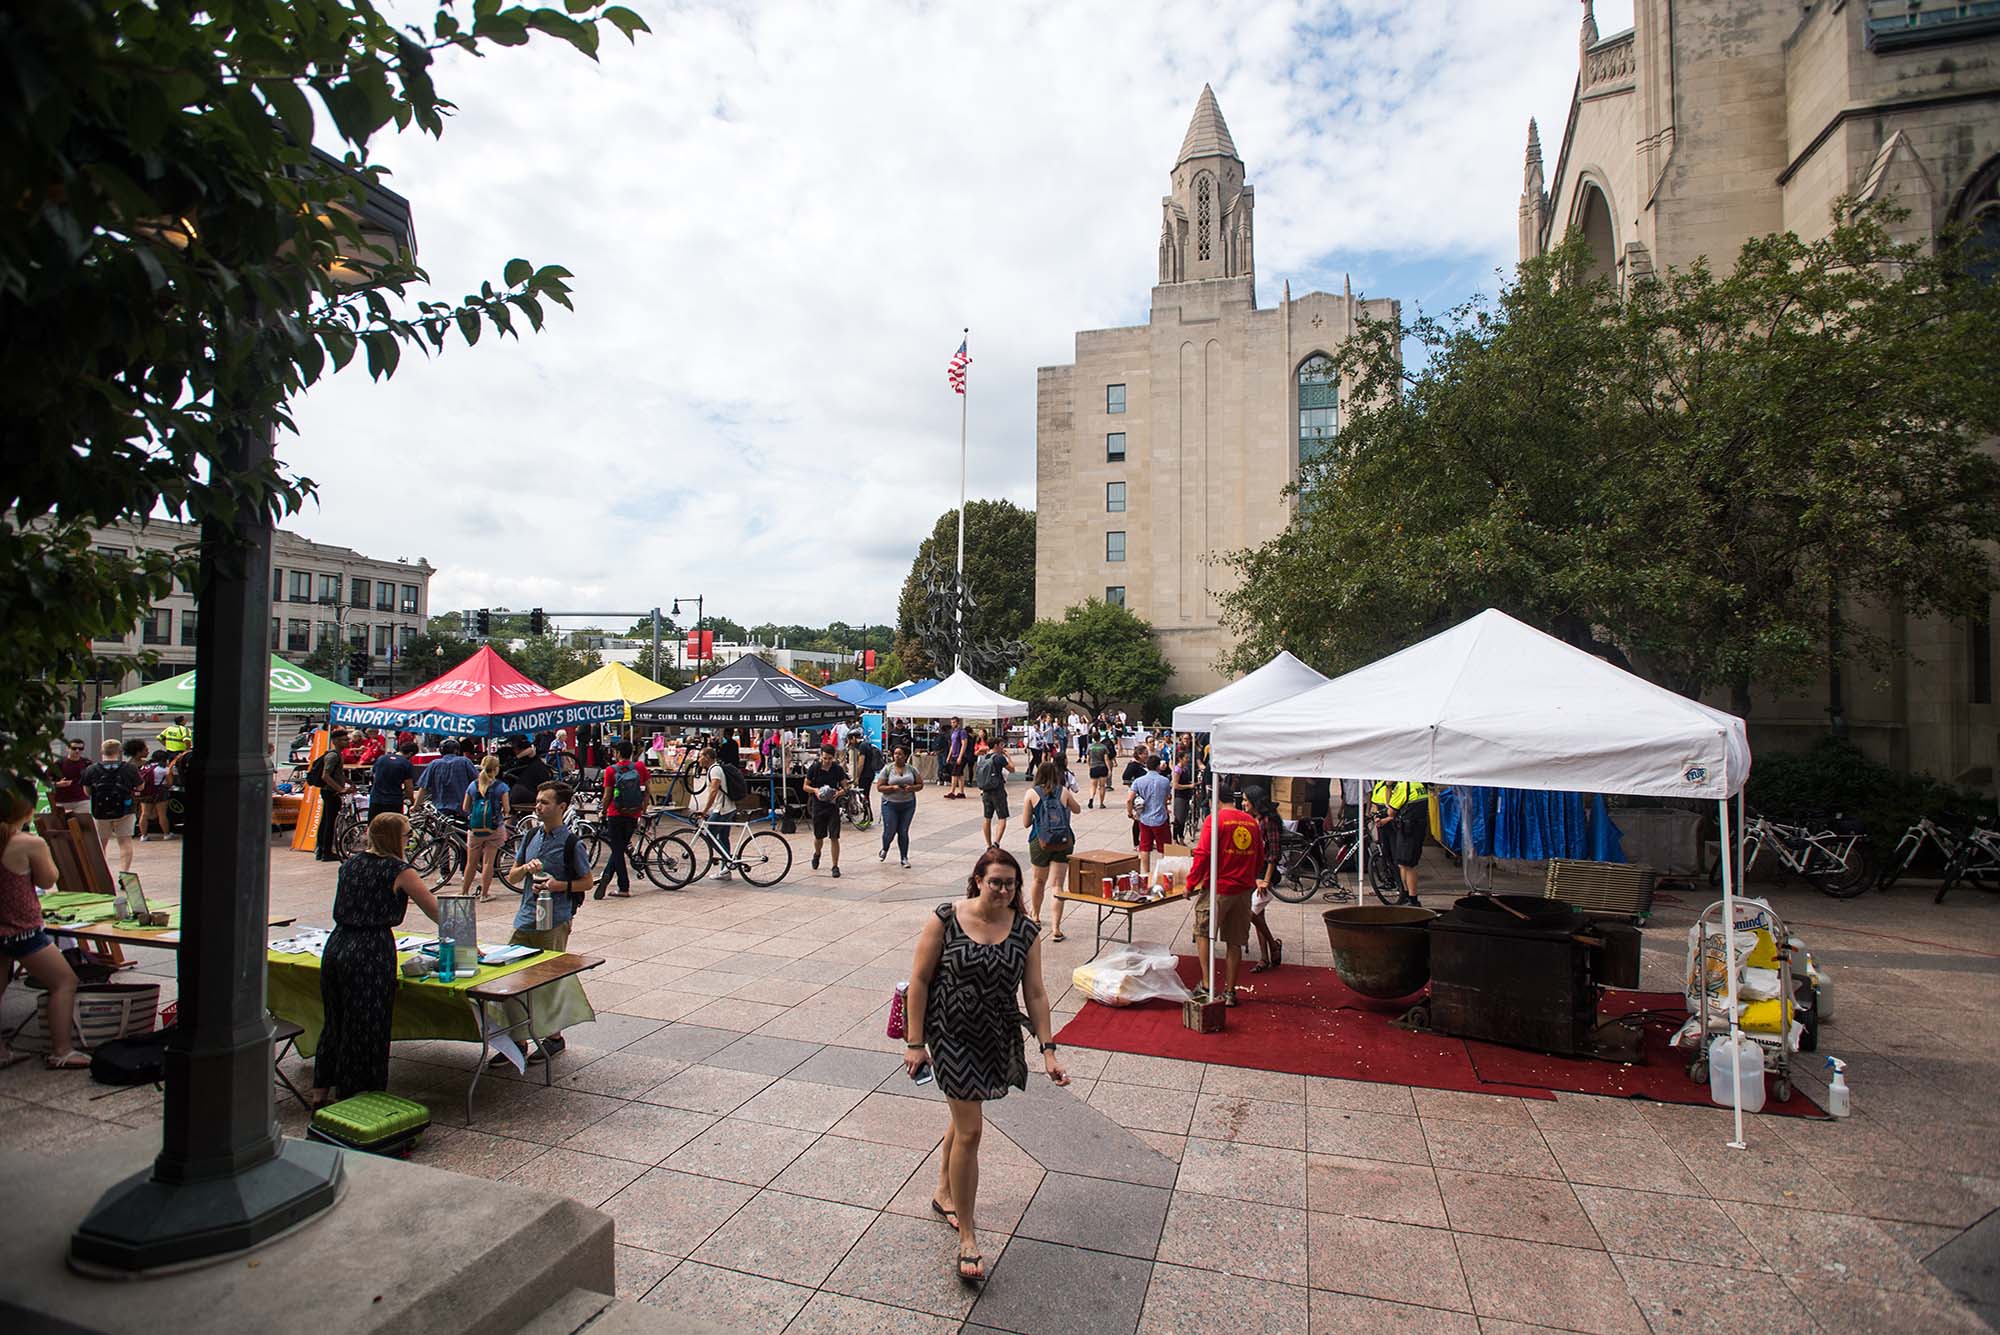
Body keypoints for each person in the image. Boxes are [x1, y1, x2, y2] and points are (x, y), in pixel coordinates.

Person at [901, 847, 1068, 1285]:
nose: (1004, 890)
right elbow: (919, 979)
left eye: (1011, 884)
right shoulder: (946, 919)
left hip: (995, 1035)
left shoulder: (1025, 932)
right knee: (972, 1129)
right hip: (949, 1032)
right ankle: (969, 1239)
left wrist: (1048, 1048)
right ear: (977, 880)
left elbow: (1035, 993)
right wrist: (915, 1042)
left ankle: (943, 1191)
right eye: (995, 881)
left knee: (964, 1116)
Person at [310, 812, 441, 1104]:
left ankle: (320, 1090)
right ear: (395, 838)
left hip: (338, 942)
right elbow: (436, 911)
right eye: (407, 835)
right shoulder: (399, 870)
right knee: (367, 1023)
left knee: (335, 1019)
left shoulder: (351, 864)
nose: (410, 840)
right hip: (370, 948)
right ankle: (356, 1092)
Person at [0, 777, 89, 1070]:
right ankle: (61, 1050)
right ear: (25, 811)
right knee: (64, 981)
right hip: (22, 930)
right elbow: (49, 879)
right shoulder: (28, 843)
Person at [500, 781, 591, 1062]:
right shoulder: (530, 837)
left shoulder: (571, 843)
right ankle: (517, 1040)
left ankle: (553, 1036)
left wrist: (557, 885)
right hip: (525, 916)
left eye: (545, 802)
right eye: (538, 801)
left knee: (548, 979)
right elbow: (512, 875)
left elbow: (586, 882)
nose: (538, 806)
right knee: (511, 978)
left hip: (555, 919)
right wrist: (526, 868)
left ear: (561, 807)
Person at [1187, 790, 1263, 1007]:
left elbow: (1203, 854)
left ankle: (1207, 983)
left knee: (1203, 932)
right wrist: (1249, 878)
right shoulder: (1251, 822)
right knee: (1235, 941)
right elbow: (1260, 857)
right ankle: (1230, 992)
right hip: (1243, 891)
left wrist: (1191, 883)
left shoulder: (1215, 819)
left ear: (1215, 801)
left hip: (1219, 888)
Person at [1020, 760, 1081, 938]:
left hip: (1039, 841)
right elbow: (1077, 810)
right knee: (1057, 885)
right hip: (1063, 841)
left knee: (1038, 881)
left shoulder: (1031, 793)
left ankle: (1036, 916)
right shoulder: (1063, 791)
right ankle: (1056, 928)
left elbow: (1025, 823)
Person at [595, 740, 649, 898]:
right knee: (620, 847)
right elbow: (647, 791)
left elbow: (607, 795)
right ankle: (607, 876)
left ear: (617, 753)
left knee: (617, 850)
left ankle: (623, 887)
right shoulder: (640, 767)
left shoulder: (611, 770)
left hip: (615, 814)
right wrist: (642, 810)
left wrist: (602, 811)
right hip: (633, 814)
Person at [81, 739, 139, 874]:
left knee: (101, 844)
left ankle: (101, 873)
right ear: (119, 752)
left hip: (100, 810)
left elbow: (87, 792)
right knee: (125, 842)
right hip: (125, 810)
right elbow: (140, 785)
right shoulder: (129, 768)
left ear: (102, 751)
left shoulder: (91, 769)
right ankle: (124, 873)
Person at [460, 754, 511, 899]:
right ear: (496, 769)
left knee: (471, 862)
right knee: (488, 862)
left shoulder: (473, 785)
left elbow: (465, 807)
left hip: (475, 829)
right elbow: (507, 809)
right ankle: (484, 894)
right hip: (494, 828)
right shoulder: (501, 787)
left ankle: (464, 892)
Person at [1372, 778, 1430, 904]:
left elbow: (1390, 811)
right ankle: (1407, 895)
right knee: (1403, 864)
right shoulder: (1418, 784)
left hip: (1407, 830)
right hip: (1417, 828)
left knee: (1407, 865)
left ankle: (1412, 898)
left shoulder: (1403, 787)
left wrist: (1388, 787)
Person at [1247, 786, 1285, 971]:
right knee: (1258, 915)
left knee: (1253, 912)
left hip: (1264, 872)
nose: (1244, 803)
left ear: (1255, 802)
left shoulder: (1268, 821)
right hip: (1253, 872)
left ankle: (1272, 946)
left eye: (1247, 800)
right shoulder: (1252, 819)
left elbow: (1274, 853)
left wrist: (1266, 880)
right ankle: (1265, 956)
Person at [804, 743, 849, 878]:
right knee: (819, 836)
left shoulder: (837, 769)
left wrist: (838, 793)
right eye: (825, 758)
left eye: (830, 758)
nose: (827, 761)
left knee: (834, 836)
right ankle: (817, 853)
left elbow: (845, 787)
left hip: (832, 806)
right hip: (818, 805)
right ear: (821, 757)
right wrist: (815, 790)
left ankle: (835, 866)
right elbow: (805, 786)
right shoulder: (815, 768)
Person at [876, 744, 923, 868]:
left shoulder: (912, 769)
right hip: (890, 804)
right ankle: (885, 848)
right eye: (895, 754)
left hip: (907, 804)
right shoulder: (887, 769)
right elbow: (879, 787)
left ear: (905, 756)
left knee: (903, 831)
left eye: (900, 754)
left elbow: (920, 784)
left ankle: (904, 857)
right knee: (890, 830)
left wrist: (911, 788)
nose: (897, 756)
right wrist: (891, 788)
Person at [309, 729, 352, 862]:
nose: (348, 741)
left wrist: (349, 782)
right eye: (345, 739)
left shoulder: (338, 755)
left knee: (326, 821)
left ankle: (322, 850)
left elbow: (337, 774)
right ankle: (326, 851)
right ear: (336, 741)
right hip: (330, 792)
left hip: (331, 791)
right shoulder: (333, 756)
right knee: (329, 822)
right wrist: (340, 789)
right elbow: (326, 776)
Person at [1126, 756, 1173, 876]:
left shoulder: (1138, 781)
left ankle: (1146, 873)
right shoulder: (1165, 781)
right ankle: (1164, 873)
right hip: (1161, 818)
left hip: (1145, 818)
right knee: (1165, 848)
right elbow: (1167, 797)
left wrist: (1130, 813)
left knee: (1145, 847)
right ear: (1158, 766)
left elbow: (1129, 799)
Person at [698, 743, 738, 881]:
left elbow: (714, 790)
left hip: (722, 810)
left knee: (710, 836)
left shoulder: (714, 770)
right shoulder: (716, 768)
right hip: (728, 807)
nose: (698, 760)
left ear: (708, 757)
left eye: (700, 757)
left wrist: (704, 810)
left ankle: (729, 863)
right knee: (723, 838)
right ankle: (725, 870)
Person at [972, 732, 1014, 848]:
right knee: (1002, 817)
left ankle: (988, 844)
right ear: (995, 745)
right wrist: (1008, 757)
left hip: (985, 791)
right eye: (1001, 745)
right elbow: (1012, 769)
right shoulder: (999, 758)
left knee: (987, 818)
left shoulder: (984, 757)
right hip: (998, 790)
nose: (1002, 747)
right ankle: (997, 842)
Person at [416, 737, 477, 815]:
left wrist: (416, 806)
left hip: (440, 811)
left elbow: (423, 787)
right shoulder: (465, 761)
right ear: (456, 750)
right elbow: (478, 782)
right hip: (462, 809)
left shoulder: (434, 764)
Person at [367, 739, 418, 819]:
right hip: (393, 801)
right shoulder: (406, 764)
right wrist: (413, 801)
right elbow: (409, 787)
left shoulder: (381, 759)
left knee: (374, 826)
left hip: (376, 798)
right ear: (410, 754)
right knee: (393, 828)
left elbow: (374, 775)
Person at [48, 738, 91, 822]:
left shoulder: (87, 763)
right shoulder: (59, 763)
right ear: (68, 748)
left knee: (84, 827)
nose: (77, 751)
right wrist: (58, 784)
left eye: (80, 749)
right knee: (63, 827)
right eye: (74, 748)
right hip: (62, 802)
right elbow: (46, 781)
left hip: (82, 801)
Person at [850, 731, 882, 824]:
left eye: (850, 740)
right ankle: (868, 817)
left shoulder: (862, 747)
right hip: (870, 774)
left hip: (865, 775)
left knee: (864, 796)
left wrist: (857, 777)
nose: (850, 743)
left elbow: (861, 764)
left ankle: (868, 817)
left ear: (853, 738)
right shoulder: (866, 744)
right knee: (865, 795)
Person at [943, 717, 970, 799]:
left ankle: (952, 792)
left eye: (954, 722)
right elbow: (952, 745)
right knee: (960, 774)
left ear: (958, 723)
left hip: (960, 755)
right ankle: (962, 792)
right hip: (954, 755)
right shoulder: (954, 732)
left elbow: (964, 744)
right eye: (952, 722)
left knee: (954, 774)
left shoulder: (962, 732)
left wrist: (960, 756)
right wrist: (949, 756)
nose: (952, 724)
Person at [1085, 731, 1111, 808]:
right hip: (1102, 767)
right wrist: (1109, 769)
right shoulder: (1103, 747)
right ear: (1100, 737)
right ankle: (1101, 803)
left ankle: (1091, 798)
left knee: (1093, 786)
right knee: (1102, 786)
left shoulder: (1090, 747)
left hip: (1094, 767)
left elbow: (1088, 759)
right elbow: (1106, 759)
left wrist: (1089, 766)